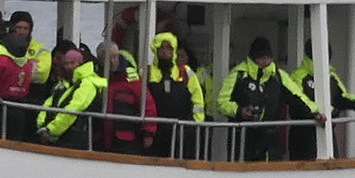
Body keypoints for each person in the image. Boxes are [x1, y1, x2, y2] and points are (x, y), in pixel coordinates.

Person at [220, 36, 301, 162]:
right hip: (244, 139)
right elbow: (222, 102)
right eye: (261, 57)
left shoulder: (278, 76)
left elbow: (299, 97)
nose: (265, 61)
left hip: (271, 140)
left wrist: (315, 113)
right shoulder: (238, 75)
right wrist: (240, 111)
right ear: (253, 57)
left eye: (268, 57)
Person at [290, 50, 355, 160]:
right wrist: (320, 112)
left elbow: (340, 96)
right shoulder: (298, 76)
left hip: (328, 131)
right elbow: (299, 100)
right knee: (304, 168)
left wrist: (353, 102)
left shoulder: (331, 76)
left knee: (332, 165)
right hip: (304, 132)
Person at [147, 27, 207, 160]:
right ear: (156, 50)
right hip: (155, 133)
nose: (165, 51)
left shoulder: (186, 73)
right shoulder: (147, 73)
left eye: (168, 48)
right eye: (161, 47)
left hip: (181, 134)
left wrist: (194, 125)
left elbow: (198, 101)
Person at [34, 44, 103, 147]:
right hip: (56, 135)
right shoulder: (64, 83)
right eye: (66, 63)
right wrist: (42, 125)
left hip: (75, 138)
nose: (69, 67)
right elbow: (48, 104)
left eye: (72, 63)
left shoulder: (88, 83)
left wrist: (51, 130)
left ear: (80, 64)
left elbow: (74, 109)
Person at [98, 47, 158, 154]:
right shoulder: (95, 77)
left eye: (114, 57)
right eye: (107, 58)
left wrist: (148, 132)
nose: (112, 61)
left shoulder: (132, 79)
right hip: (101, 138)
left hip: (127, 139)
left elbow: (148, 105)